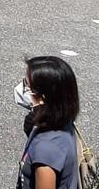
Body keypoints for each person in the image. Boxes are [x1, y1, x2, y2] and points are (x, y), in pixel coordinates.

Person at [15, 56, 80, 189]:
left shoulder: (46, 150)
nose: (22, 89)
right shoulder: (63, 124)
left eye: (27, 86)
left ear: (43, 97)